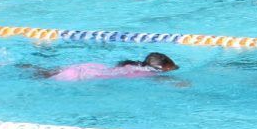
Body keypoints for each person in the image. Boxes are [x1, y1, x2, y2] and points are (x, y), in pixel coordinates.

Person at [49, 53, 178, 81]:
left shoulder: (133, 66)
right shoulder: (148, 73)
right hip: (84, 75)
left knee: (41, 73)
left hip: (88, 68)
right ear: (161, 68)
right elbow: (162, 80)